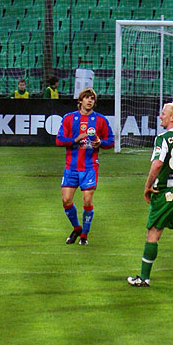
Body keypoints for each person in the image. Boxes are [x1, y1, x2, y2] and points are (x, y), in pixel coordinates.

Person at [127, 102, 173, 288]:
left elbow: (158, 164)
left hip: (165, 192)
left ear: (172, 117)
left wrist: (147, 185)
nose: (160, 116)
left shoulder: (163, 138)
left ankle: (144, 278)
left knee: (153, 233)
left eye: (163, 113)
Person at [55, 88, 114, 246]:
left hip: (89, 167)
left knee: (87, 201)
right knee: (66, 200)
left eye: (92, 98)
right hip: (71, 167)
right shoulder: (68, 118)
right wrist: (75, 139)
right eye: (87, 98)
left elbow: (111, 141)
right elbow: (59, 140)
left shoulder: (101, 120)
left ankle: (84, 236)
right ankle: (77, 228)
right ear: (80, 100)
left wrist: (101, 143)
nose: (90, 101)